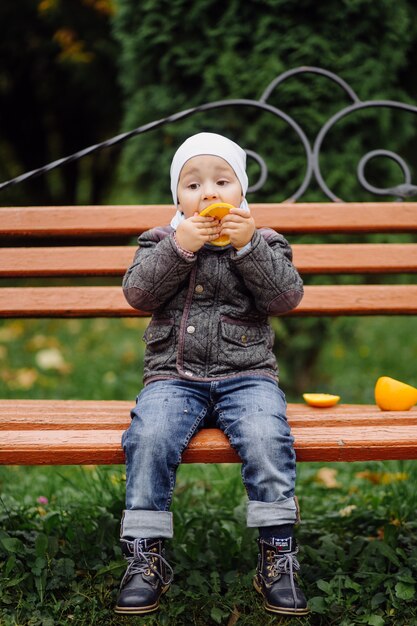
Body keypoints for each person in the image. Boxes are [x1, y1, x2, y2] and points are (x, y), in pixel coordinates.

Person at [115, 132, 309, 616]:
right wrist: (179, 248)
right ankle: (145, 557)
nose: (209, 194)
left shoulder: (265, 242)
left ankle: (278, 556)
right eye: (193, 184)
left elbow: (285, 298)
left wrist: (248, 250)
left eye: (223, 182)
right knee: (151, 436)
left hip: (248, 376)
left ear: (242, 192)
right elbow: (138, 294)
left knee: (268, 436)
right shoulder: (160, 240)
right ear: (176, 197)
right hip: (173, 377)